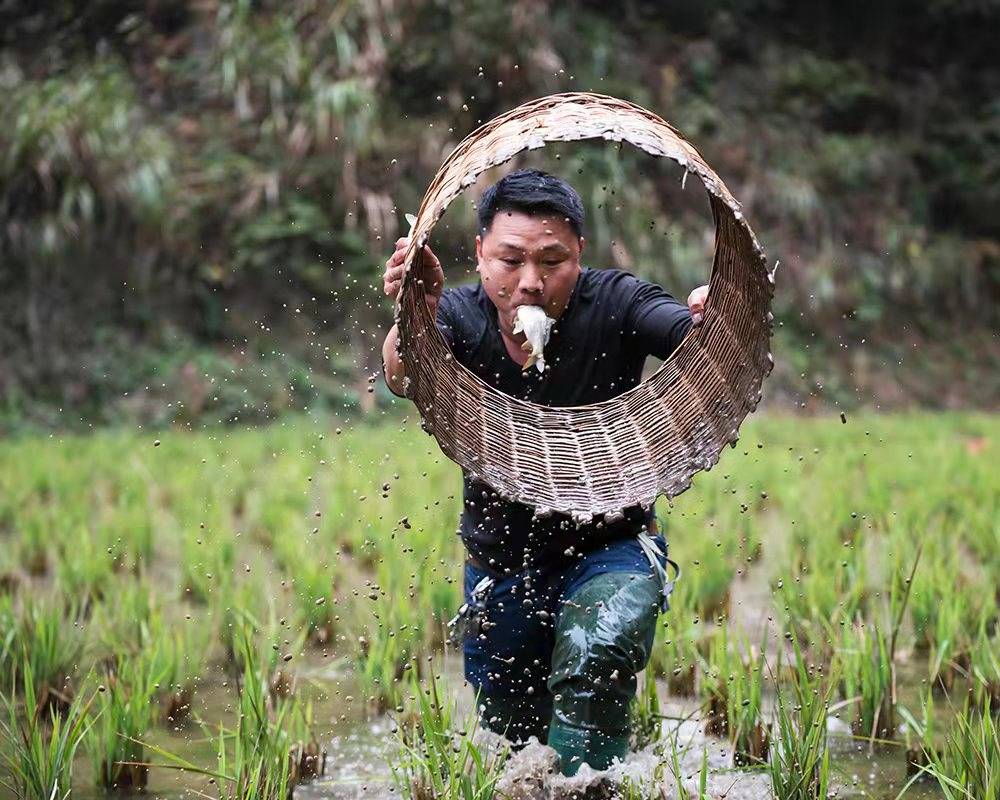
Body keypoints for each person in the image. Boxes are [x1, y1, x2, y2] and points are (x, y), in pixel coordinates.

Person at [380, 168, 708, 776]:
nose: (529, 283)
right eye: (510, 261)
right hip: (502, 562)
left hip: (612, 543)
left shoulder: (615, 302)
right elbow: (403, 375)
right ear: (479, 254)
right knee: (515, 752)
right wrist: (413, 314)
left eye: (551, 261)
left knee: (598, 653)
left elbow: (693, 336)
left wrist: (705, 316)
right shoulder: (455, 315)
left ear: (578, 253)